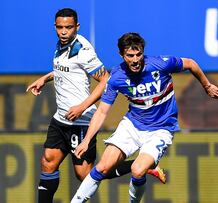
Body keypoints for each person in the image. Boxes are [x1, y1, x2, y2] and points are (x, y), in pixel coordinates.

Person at [26, 9, 165, 203]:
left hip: (81, 121)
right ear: (55, 27)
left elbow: (105, 80)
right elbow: (65, 69)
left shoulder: (82, 50)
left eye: (68, 27)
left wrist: (82, 107)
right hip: (61, 118)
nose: (63, 31)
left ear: (77, 27)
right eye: (60, 27)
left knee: (85, 176)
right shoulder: (61, 45)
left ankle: (141, 166)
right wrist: (45, 78)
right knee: (48, 162)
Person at [70, 32, 218, 202]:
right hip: (132, 126)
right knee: (102, 167)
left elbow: (190, 63)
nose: (135, 59)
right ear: (122, 55)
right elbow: (102, 112)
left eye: (139, 54)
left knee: (138, 170)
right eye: (130, 55)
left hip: (161, 129)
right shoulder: (116, 77)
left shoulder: (161, 64)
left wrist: (207, 86)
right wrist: (86, 140)